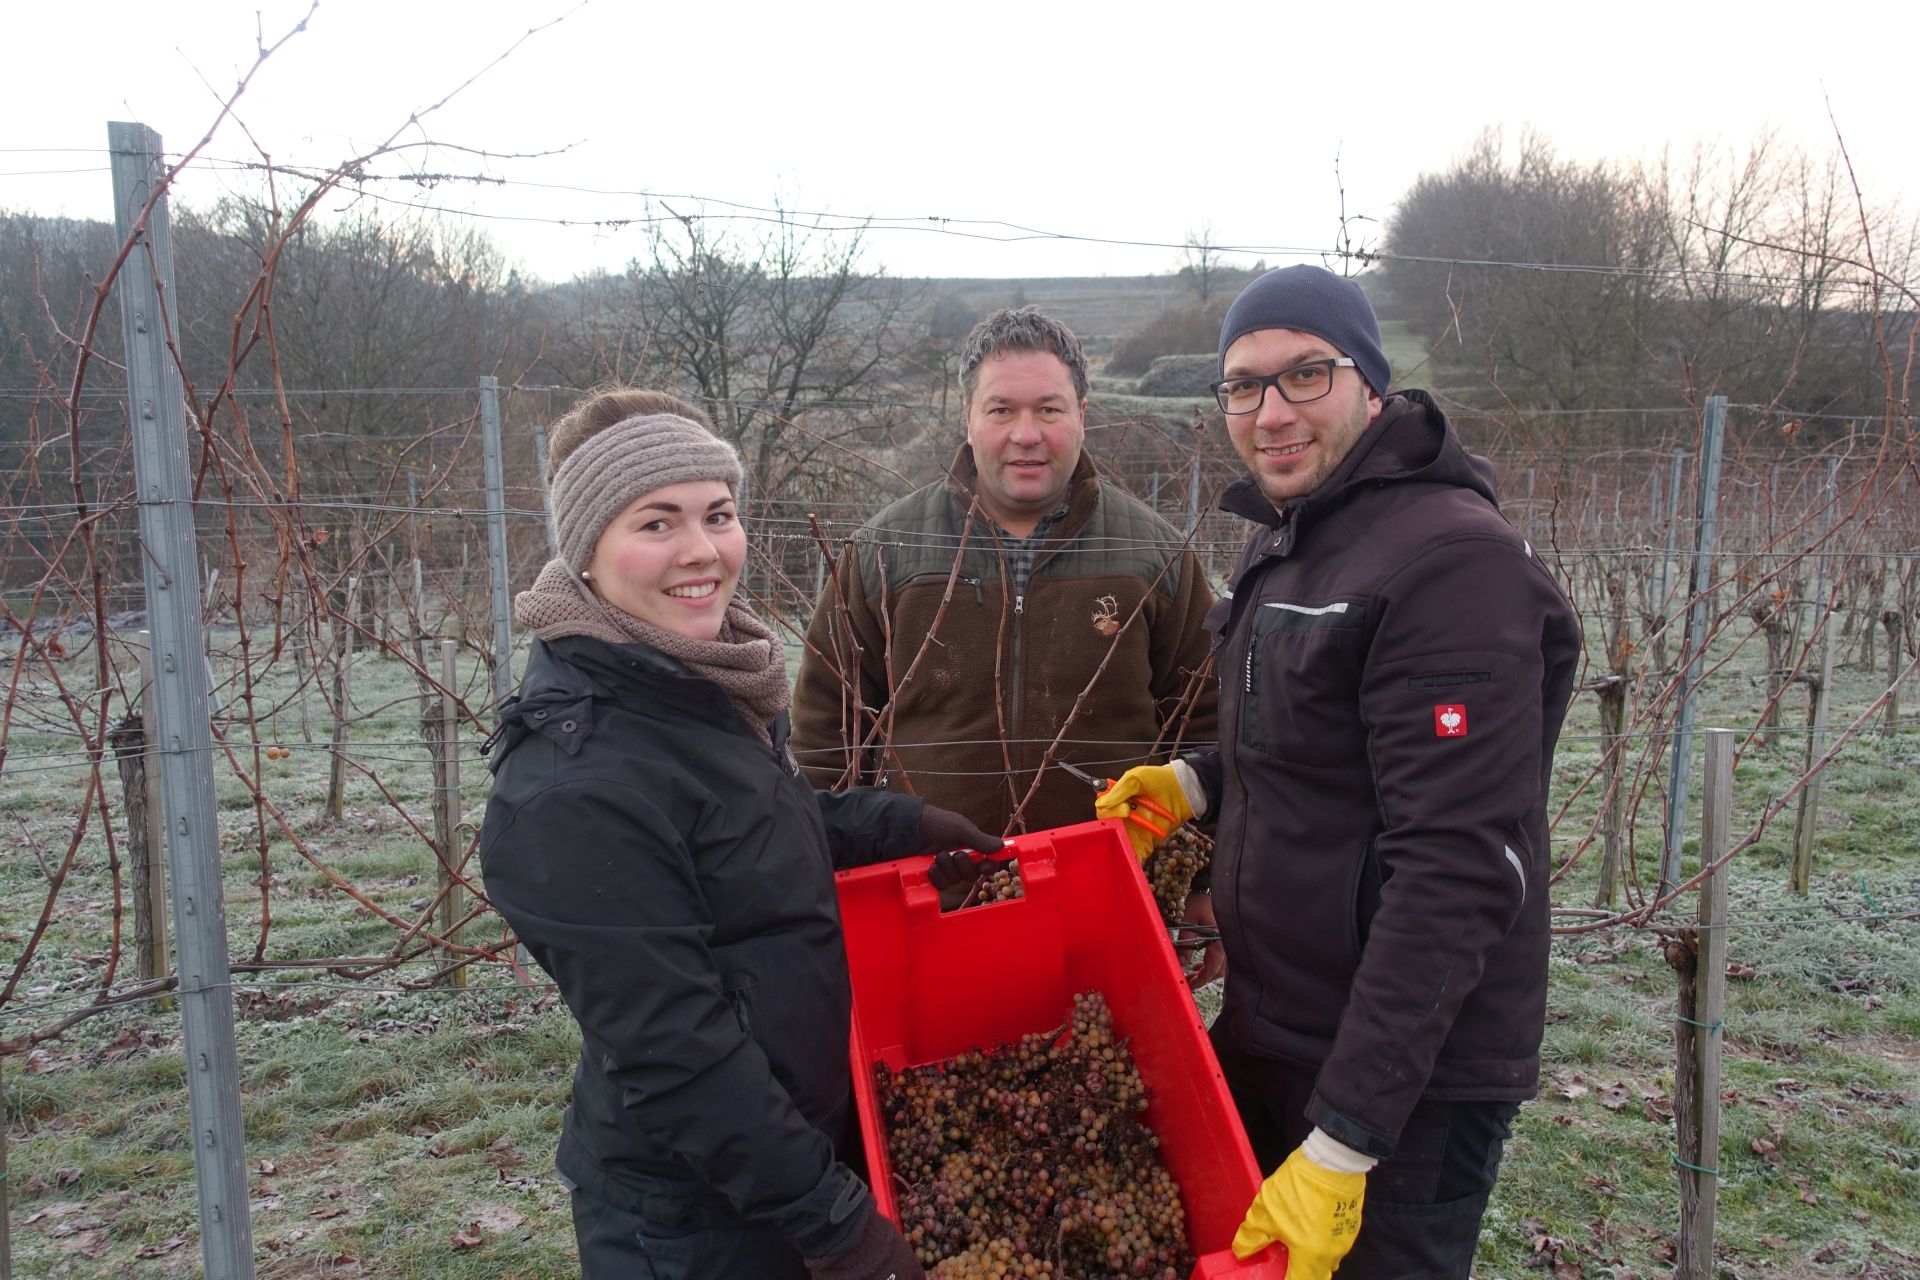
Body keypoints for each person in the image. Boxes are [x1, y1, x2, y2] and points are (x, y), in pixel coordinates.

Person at [1097, 266, 1581, 1279]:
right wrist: (1193, 782)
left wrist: (1344, 1137)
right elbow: (1320, 742)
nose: (1269, 411)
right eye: (1243, 384)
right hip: (1288, 1023)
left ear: (1370, 381)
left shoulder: (1452, 567)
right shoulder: (1307, 536)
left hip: (1400, 1084)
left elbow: (1457, 864)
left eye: (1303, 374)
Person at [479, 387, 1000, 1280]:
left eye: (718, 514)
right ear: (588, 553)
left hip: (780, 1159)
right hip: (693, 1220)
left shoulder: (694, 686)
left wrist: (897, 825)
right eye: (656, 522)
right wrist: (836, 1226)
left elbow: (750, 837)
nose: (701, 551)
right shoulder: (572, 785)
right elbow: (679, 1052)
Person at [789, 306, 1220, 841]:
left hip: (1112, 892)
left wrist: (1198, 871)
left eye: (1049, 409)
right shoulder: (884, 552)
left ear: (1082, 414)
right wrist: (840, 862)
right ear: (966, 418)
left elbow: (1205, 728)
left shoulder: (1155, 556)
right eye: (1000, 410)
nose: (1026, 434)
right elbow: (824, 738)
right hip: (930, 897)